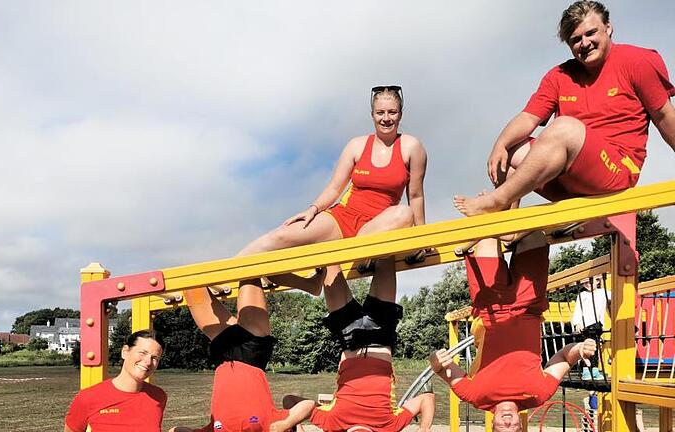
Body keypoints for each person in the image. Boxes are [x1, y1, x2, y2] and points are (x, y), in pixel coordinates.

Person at [454, 1, 675, 216]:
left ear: (608, 27)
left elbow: (664, 116)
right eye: (576, 39)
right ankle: (508, 222)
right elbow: (528, 118)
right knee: (512, 147)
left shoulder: (637, 61)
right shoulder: (559, 76)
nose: (584, 43)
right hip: (570, 179)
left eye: (590, 33)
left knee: (565, 128)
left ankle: (497, 201)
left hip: (615, 172)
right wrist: (500, 144)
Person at [235, 86, 427, 294]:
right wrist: (313, 209)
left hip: (378, 224)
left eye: (392, 112)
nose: (386, 118)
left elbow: (415, 195)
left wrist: (422, 237)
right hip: (343, 218)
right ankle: (225, 272)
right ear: (372, 115)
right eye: (380, 112)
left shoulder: (411, 147)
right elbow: (335, 187)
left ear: (400, 114)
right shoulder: (357, 145)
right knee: (281, 237)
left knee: (405, 213)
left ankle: (362, 253)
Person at [430, 230, 597, 432]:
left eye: (502, 428)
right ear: (520, 425)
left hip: (492, 307)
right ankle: (509, 219)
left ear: (492, 424)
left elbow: (439, 368)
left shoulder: (475, 396)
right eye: (513, 428)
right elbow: (564, 357)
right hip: (530, 305)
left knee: (487, 231)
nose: (508, 422)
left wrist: (437, 359)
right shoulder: (539, 395)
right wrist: (579, 350)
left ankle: (492, 209)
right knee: (534, 234)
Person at [283, 259, 435, 432]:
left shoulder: (332, 423)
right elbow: (427, 398)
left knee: (330, 260)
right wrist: (424, 429)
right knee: (385, 255)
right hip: (381, 334)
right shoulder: (389, 427)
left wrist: (293, 426)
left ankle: (363, 258)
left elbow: (290, 400)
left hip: (349, 336)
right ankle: (371, 259)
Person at [169, 279, 315, 432]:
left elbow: (176, 430)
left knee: (192, 285)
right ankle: (312, 285)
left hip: (222, 351)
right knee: (248, 266)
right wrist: (284, 425)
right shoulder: (269, 428)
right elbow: (309, 405)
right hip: (252, 346)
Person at [64, 329, 168, 432]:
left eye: (155, 358)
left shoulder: (158, 397)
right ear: (125, 352)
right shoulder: (88, 397)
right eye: (142, 353)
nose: (148, 362)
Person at [571, 276, 610, 380]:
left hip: (597, 324)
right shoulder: (582, 295)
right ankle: (587, 371)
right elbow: (578, 310)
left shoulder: (603, 292)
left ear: (598, 281)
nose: (588, 284)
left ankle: (594, 370)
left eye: (591, 282)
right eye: (585, 282)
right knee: (587, 348)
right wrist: (577, 323)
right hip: (585, 325)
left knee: (595, 348)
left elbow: (617, 296)